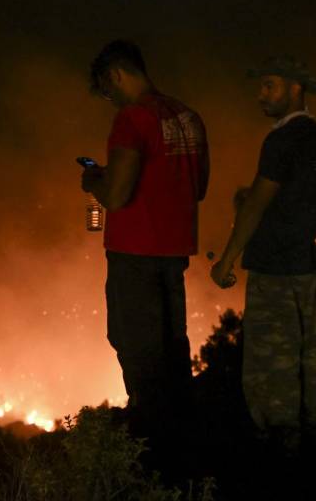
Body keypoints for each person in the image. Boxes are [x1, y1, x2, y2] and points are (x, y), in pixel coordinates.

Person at [81, 39, 209, 462]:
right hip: (174, 253)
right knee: (173, 349)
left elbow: (115, 196)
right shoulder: (189, 117)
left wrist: (93, 182)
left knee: (137, 348)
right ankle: (185, 444)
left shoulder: (131, 119)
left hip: (134, 254)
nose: (107, 99)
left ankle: (152, 453)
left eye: (105, 89)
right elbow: (200, 187)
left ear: (117, 75)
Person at [210, 55, 316, 452]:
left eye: (269, 85)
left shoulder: (282, 139)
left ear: (295, 88)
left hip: (275, 269)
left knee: (270, 368)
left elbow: (259, 203)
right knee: (307, 357)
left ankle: (278, 450)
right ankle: (315, 434)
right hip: (303, 263)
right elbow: (297, 199)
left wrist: (227, 259)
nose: (260, 94)